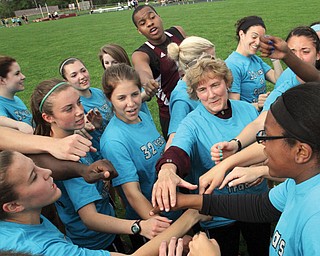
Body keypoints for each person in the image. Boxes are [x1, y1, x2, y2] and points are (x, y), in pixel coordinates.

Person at [152, 82, 320, 256]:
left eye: (266, 137)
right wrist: (184, 201)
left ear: (301, 152)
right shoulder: (300, 182)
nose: (261, 145)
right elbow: (261, 206)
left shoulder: (316, 221)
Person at [30, 78, 170, 251]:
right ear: (48, 117)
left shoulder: (75, 139)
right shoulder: (67, 159)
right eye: (69, 109)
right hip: (95, 242)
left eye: (79, 103)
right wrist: (139, 227)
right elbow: (90, 218)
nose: (80, 111)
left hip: (108, 229)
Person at [152, 57, 270, 256]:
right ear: (195, 94)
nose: (211, 94)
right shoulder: (192, 123)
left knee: (261, 249)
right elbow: (177, 150)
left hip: (254, 202)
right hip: (218, 213)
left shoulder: (248, 110)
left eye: (215, 84)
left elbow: (268, 147)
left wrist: (260, 168)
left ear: (227, 82)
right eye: (202, 89)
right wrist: (167, 169)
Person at [0, 150, 208, 256]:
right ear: (13, 206)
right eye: (33, 177)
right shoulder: (44, 250)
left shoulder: (19, 219)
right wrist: (192, 215)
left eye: (37, 166)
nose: (46, 172)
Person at [207, 26, 320, 177]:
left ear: (318, 54)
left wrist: (258, 171)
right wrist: (236, 144)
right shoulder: (285, 87)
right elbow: (262, 123)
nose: (298, 57)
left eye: (305, 51)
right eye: (292, 52)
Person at [100, 63, 179, 250]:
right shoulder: (114, 140)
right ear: (109, 99)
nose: (131, 103)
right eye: (121, 98)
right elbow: (132, 194)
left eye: (135, 94)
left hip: (175, 207)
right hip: (154, 221)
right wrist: (163, 229)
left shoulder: (142, 114)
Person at [131, 5, 186, 140]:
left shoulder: (177, 32)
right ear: (139, 31)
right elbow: (142, 69)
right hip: (172, 114)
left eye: (152, 17)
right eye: (143, 23)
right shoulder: (142, 53)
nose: (150, 23)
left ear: (159, 17)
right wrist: (147, 81)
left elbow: (194, 49)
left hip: (198, 100)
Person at [59, 57, 114, 161]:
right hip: (102, 156)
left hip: (117, 146)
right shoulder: (75, 105)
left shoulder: (98, 92)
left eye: (83, 71)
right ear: (66, 81)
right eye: (74, 75)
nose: (82, 76)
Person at [166, 36, 215, 148]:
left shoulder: (200, 85)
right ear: (197, 64)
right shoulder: (182, 98)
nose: (216, 63)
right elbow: (175, 138)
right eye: (212, 59)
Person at [225, 16, 282, 111]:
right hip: (250, 119)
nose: (258, 42)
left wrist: (275, 58)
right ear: (242, 34)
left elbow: (279, 81)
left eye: (261, 38)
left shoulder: (255, 59)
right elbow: (234, 105)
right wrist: (258, 105)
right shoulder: (232, 65)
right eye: (254, 37)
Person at [98, 43, 152, 116]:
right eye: (107, 63)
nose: (110, 66)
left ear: (123, 61)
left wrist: (150, 89)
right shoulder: (106, 83)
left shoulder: (132, 77)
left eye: (115, 62)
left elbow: (147, 95)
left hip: (142, 118)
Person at [0, 56, 33, 131]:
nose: (23, 77)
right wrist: (18, 125)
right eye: (17, 74)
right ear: (2, 80)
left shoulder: (16, 99)